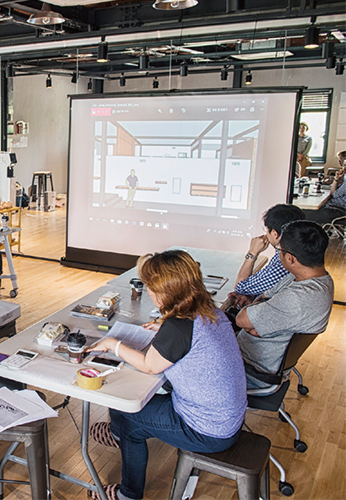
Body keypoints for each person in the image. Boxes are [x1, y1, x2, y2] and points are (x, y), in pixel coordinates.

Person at [85, 250, 246, 500]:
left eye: (150, 286)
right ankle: (119, 437)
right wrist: (166, 329)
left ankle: (128, 493)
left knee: (130, 418)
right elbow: (186, 340)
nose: (148, 291)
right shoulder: (209, 310)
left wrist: (112, 344)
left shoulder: (179, 327)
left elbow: (149, 366)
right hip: (226, 418)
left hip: (206, 430)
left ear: (163, 291)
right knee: (125, 396)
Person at [236, 221, 333, 389]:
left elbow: (242, 320)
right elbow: (264, 297)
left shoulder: (297, 298)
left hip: (251, 371)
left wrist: (255, 314)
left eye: (279, 250)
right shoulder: (318, 280)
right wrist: (258, 309)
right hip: (259, 360)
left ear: (290, 258)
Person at [229, 204, 305, 308]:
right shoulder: (298, 252)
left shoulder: (283, 262)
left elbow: (240, 287)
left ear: (275, 234)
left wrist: (252, 252)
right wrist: (253, 296)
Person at [303, 151, 346, 226]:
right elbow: (333, 193)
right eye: (344, 165)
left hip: (339, 212)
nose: (344, 168)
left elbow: (334, 194)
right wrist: (336, 179)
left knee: (301, 214)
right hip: (333, 208)